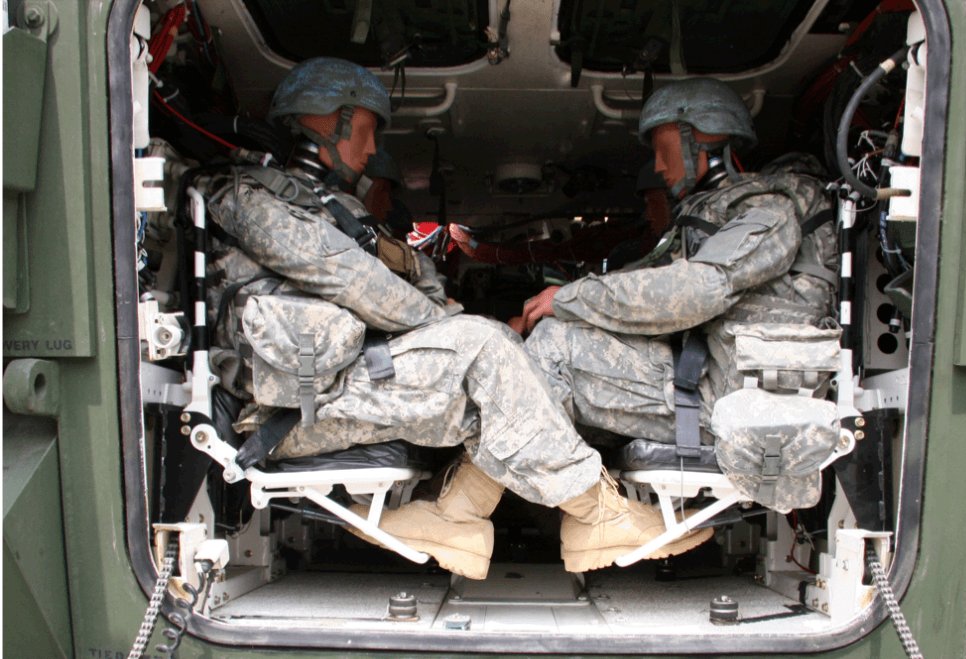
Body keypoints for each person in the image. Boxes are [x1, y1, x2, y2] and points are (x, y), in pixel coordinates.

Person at [204, 57, 713, 581]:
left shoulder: (333, 210)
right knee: (484, 349)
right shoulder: (250, 198)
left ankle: (457, 515)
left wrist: (446, 312)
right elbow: (356, 282)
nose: (372, 149)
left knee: (496, 357)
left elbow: (408, 274)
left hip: (340, 386)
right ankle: (595, 513)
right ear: (328, 119)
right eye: (367, 131)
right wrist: (450, 325)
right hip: (289, 411)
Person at [517, 78, 838, 499]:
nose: (659, 166)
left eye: (662, 149)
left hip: (733, 404)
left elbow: (695, 291)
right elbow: (653, 288)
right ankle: (596, 510)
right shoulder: (716, 213)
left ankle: (588, 514)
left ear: (700, 137)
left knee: (553, 350)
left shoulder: (769, 209)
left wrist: (569, 300)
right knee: (556, 353)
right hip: (705, 381)